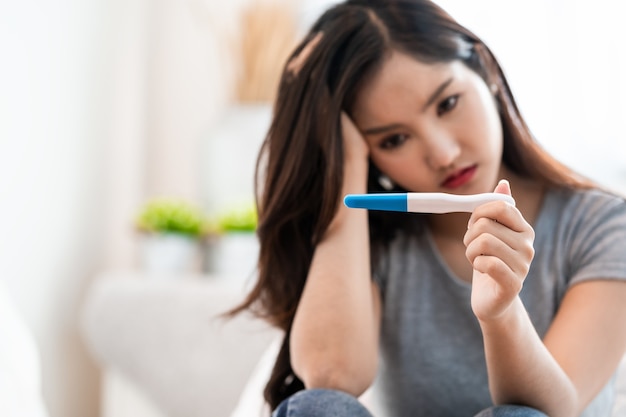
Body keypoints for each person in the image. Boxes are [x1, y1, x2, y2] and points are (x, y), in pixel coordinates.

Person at [229, 1, 626, 416]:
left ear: (486, 71)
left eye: (447, 103)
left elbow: (556, 409)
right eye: (393, 140)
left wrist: (501, 313)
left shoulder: (604, 226)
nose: (443, 153)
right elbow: (331, 376)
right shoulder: (380, 238)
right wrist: (342, 162)